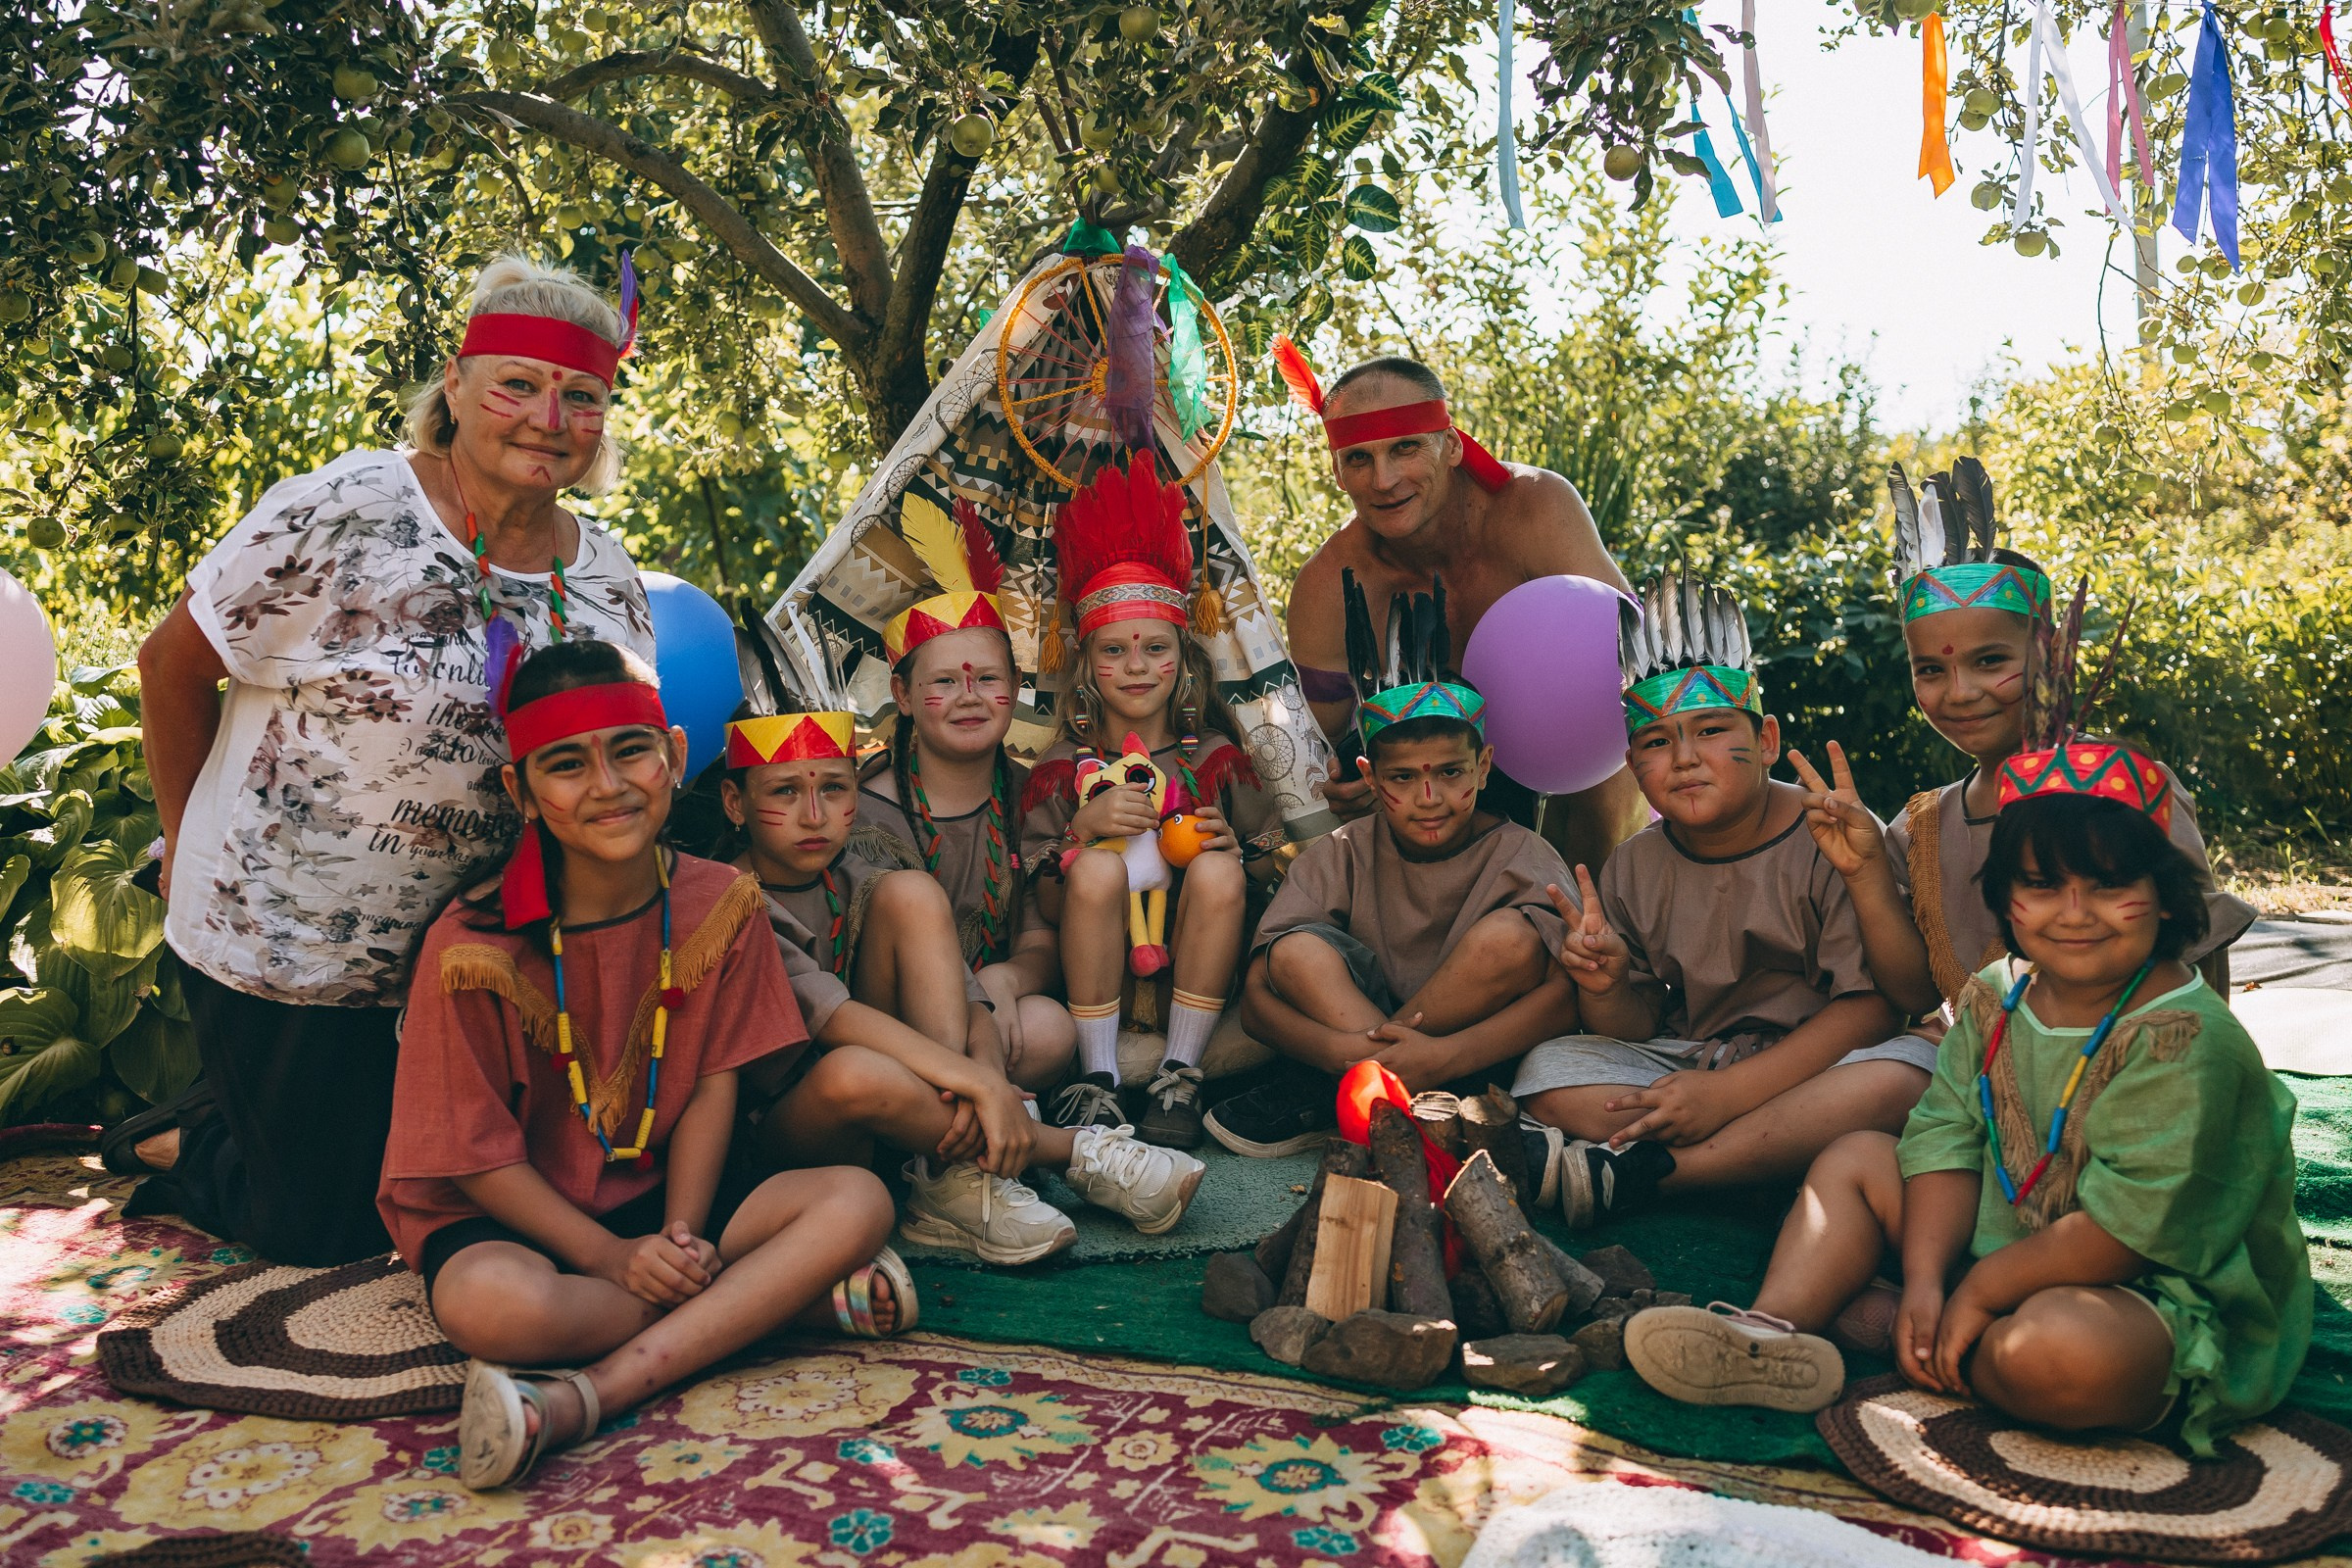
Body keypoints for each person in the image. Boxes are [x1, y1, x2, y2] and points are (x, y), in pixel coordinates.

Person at [1623, 640, 2311, 1454]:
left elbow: (2124, 1234)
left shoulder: (2188, 1037)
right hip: (2006, 1238)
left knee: (2061, 1353)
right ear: (2005, 902)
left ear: (2166, 898)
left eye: (2112, 888)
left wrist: (1977, 1288)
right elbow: (1944, 1135)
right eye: (2043, 886)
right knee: (1853, 1159)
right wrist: (1924, 1279)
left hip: (2151, 1288)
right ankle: (1774, 1334)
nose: (2075, 913)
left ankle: (1936, 1345)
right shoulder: (1995, 993)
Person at [114, 254, 656, 1266]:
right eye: (519, 384)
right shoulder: (346, 508)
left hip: (470, 971)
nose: (548, 417)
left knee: (450, 1210)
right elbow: (171, 667)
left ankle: (256, 1120)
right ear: (454, 387)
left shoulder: (608, 580)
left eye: (581, 396)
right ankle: (194, 1137)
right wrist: (188, 848)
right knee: (323, 1232)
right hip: (286, 946)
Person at [379, 639, 912, 1492]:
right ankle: (780, 1302)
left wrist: (683, 1236)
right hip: (528, 1223)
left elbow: (712, 1079)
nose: (609, 786)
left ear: (673, 753)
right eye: (565, 765)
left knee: (858, 1196)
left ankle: (586, 1396)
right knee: (493, 1307)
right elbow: (478, 1159)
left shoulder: (719, 900)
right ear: (520, 792)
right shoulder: (469, 945)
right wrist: (607, 1258)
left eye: (630, 750)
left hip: (672, 1201)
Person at [716, 687, 1203, 1262]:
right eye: (785, 791)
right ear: (734, 803)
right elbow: (836, 1021)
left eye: (834, 788)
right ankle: (1066, 1151)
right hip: (792, 1128)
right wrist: (982, 1089)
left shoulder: (861, 868)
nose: (815, 815)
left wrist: (988, 1076)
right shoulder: (728, 897)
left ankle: (948, 1172)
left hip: (911, 1096)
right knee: (853, 1070)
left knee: (914, 893)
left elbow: (966, 996)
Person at [1514, 573, 1935, 1228]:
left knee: (1906, 1078)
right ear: (1633, 766)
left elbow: (1880, 1009)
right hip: (1703, 1056)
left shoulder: (1835, 834)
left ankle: (1669, 1176)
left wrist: (1727, 1096)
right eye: (1657, 742)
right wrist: (1605, 986)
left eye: (1711, 730)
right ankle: (1763, 1161)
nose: (1684, 758)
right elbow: (1635, 1024)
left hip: (1825, 1066)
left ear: (1766, 741)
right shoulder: (1636, 863)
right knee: (1548, 1070)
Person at [1789, 459, 2253, 1019]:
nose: (1959, 693)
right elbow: (1915, 996)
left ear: (2051, 654)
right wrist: (1864, 872)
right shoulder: (1921, 829)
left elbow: (2199, 958)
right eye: (1931, 669)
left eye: (1990, 661)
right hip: (1975, 1074)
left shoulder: (2117, 786)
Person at [1211, 572, 1581, 1156]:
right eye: (1403, 778)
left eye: (1450, 773)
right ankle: (1387, 1086)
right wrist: (1340, 1052)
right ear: (1369, 776)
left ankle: (1364, 1089)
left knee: (1513, 939)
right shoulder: (1344, 851)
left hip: (1470, 1054)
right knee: (1295, 950)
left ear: (1484, 767)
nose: (1428, 799)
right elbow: (1260, 995)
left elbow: (1567, 999)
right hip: (1353, 1036)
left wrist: (1440, 1056)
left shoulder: (1525, 856)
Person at [1272, 341, 1646, 875]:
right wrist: (1345, 785)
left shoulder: (1536, 507)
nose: (1383, 480)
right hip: (1434, 780)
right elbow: (1316, 752)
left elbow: (1634, 655)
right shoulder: (1329, 586)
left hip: (1576, 753)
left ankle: (1596, 926)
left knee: (1614, 750)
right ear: (1337, 472)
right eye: (1359, 458)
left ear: (1450, 445)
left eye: (1405, 448)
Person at [1020, 453, 1284, 1148]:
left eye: (1154, 648)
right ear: (1083, 664)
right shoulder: (1056, 771)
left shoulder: (1221, 760)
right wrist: (1079, 834)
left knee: (1219, 868)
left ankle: (1179, 1079)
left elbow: (1273, 869)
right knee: (1100, 868)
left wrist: (1237, 852)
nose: (1136, 667)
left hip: (1194, 993)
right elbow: (1038, 905)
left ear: (1185, 658)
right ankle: (1099, 1080)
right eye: (1113, 651)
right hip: (1092, 992)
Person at [851, 490, 1077, 1093]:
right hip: (888, 1029)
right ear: (902, 697)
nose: (969, 697)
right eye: (944, 682)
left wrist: (1006, 980)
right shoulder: (856, 809)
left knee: (1051, 1026)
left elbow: (1041, 940)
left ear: (1018, 687)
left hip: (990, 1016)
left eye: (989, 680)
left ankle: (974, 1111)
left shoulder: (1034, 798)